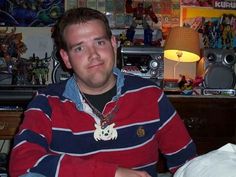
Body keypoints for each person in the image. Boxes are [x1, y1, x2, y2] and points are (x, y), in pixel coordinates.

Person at [9, 7, 197, 177]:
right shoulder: (45, 102)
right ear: (66, 59)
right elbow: (22, 163)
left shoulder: (151, 95)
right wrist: (112, 173)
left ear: (113, 44)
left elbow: (187, 163)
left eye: (99, 43)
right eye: (80, 48)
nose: (93, 55)